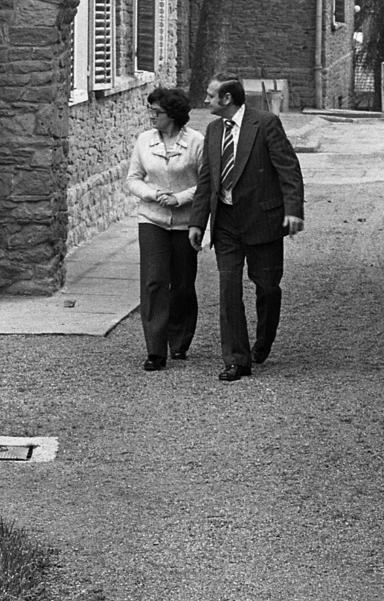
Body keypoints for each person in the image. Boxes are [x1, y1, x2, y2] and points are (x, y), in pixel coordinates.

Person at [188, 75, 305, 382]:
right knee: (228, 288)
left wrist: (293, 211)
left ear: (226, 99)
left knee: (267, 287)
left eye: (211, 96)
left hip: (262, 221)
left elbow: (288, 169)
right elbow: (206, 182)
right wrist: (197, 222)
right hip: (226, 224)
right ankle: (237, 360)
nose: (206, 101)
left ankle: (263, 342)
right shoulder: (213, 130)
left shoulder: (265, 124)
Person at [125, 86, 205, 371]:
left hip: (185, 222)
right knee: (155, 281)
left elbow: (207, 182)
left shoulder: (197, 142)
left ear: (172, 115)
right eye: (151, 111)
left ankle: (180, 341)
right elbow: (133, 179)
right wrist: (151, 194)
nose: (151, 117)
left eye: (156, 112)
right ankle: (155, 350)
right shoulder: (144, 140)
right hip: (152, 219)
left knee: (182, 284)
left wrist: (180, 198)